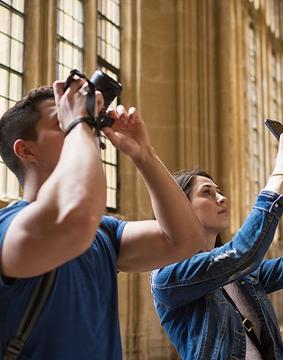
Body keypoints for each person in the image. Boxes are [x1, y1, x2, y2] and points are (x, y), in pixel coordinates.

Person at [0, 77, 207, 359]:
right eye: (62, 121)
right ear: (26, 150)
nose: (82, 127)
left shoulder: (104, 233)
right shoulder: (7, 229)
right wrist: (79, 124)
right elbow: (75, 218)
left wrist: (143, 154)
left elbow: (185, 241)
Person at [151, 134, 283, 360]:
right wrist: (280, 173)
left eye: (219, 191)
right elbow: (242, 253)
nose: (222, 197)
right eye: (207, 192)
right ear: (179, 207)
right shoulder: (168, 276)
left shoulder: (241, 275)